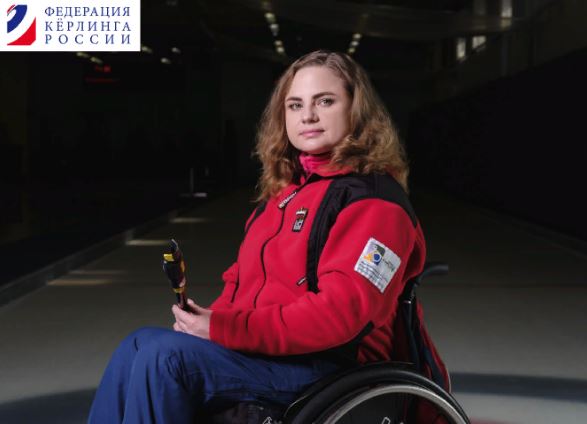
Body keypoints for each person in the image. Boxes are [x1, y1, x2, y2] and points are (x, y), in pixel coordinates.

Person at [88, 49, 427, 423]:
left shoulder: (375, 202)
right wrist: (207, 321)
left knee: (165, 358)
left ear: (356, 110)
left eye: (325, 101)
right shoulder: (285, 195)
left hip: (329, 367)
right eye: (295, 105)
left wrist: (223, 329)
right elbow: (241, 286)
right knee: (138, 344)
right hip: (269, 355)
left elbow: (340, 316)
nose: (308, 116)